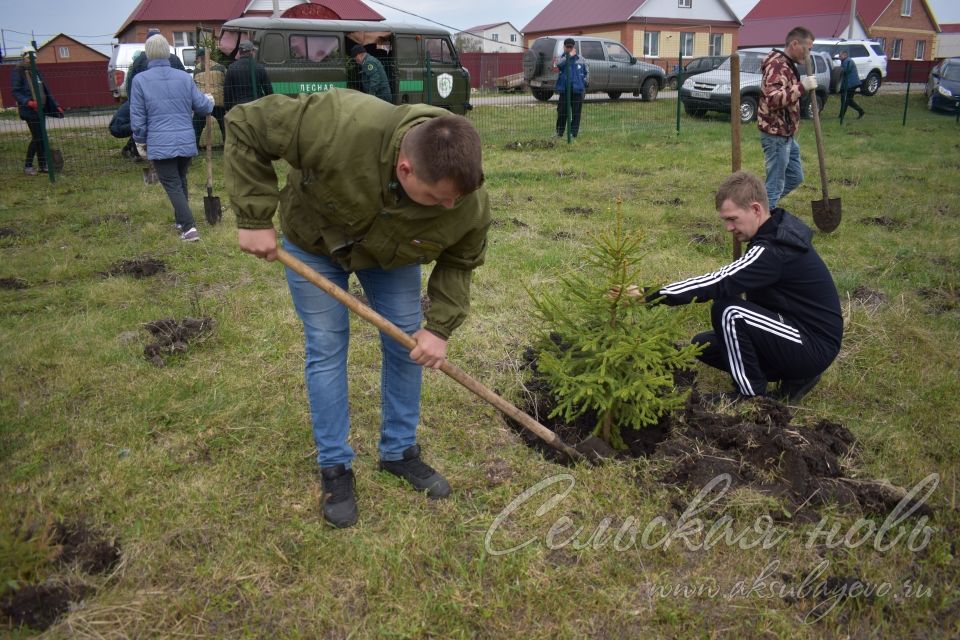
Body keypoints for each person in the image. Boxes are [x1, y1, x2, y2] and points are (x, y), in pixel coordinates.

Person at [224, 89, 490, 528]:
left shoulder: (466, 199)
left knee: (409, 343)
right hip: (312, 243)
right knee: (327, 346)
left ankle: (399, 452)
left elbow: (461, 260)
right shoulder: (337, 124)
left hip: (392, 257)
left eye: (456, 199)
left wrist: (439, 328)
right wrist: (253, 218)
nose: (449, 206)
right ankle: (335, 467)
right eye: (437, 197)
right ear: (405, 169)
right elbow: (246, 122)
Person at [618, 171, 842, 402]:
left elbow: (719, 281)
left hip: (812, 345)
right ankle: (795, 378)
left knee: (729, 311)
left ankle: (751, 396)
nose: (728, 227)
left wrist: (651, 295)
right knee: (704, 345)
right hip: (793, 331)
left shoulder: (772, 250)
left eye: (732, 219)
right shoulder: (773, 233)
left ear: (756, 210)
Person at [130, 34, 214, 242]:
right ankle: (180, 220)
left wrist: (140, 140)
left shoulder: (140, 81)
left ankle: (189, 228)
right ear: (168, 52)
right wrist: (209, 100)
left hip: (160, 142)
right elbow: (203, 106)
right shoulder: (184, 77)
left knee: (172, 184)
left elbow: (138, 116)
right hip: (186, 140)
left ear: (148, 54)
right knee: (180, 179)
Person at [757, 26, 818, 208]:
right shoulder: (777, 66)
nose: (808, 54)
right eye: (807, 48)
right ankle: (763, 224)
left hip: (786, 135)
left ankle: (759, 207)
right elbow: (773, 99)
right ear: (794, 44)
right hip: (775, 134)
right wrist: (801, 87)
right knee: (775, 186)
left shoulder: (787, 65)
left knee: (794, 176)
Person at [122, 28, 187, 160]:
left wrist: (133, 102)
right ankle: (178, 154)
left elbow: (131, 83)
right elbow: (184, 79)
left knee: (149, 127)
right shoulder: (175, 59)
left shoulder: (140, 60)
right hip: (175, 101)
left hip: (149, 102)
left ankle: (143, 154)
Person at [11, 46, 63, 175]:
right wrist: (28, 102)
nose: (32, 60)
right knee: (38, 137)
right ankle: (28, 166)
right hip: (29, 110)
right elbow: (16, 91)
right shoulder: (19, 71)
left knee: (41, 137)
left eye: (34, 58)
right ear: (24, 57)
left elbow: (45, 89)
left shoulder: (36, 70)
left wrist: (55, 105)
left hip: (41, 109)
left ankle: (42, 165)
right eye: (29, 58)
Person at [191, 47, 227, 146]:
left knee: (197, 124)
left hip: (203, 102)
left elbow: (194, 85)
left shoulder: (197, 69)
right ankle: (227, 143)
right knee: (224, 123)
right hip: (218, 101)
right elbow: (225, 81)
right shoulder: (220, 67)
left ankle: (194, 145)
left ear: (199, 57)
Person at [224, 40, 272, 111]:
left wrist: (228, 107)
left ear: (240, 52)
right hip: (256, 106)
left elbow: (227, 90)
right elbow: (268, 89)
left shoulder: (232, 68)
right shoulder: (259, 67)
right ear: (251, 51)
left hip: (239, 107)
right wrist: (269, 105)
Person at [554, 38, 588, 139]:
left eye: (571, 47)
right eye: (567, 47)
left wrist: (584, 83)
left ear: (574, 47)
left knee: (576, 113)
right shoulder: (561, 58)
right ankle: (559, 133)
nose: (569, 48)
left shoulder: (581, 59)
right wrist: (569, 56)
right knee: (562, 112)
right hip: (564, 90)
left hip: (577, 90)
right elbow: (558, 65)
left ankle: (573, 133)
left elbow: (587, 72)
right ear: (564, 47)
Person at [838, 50, 865, 121]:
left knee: (847, 100)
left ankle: (861, 111)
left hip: (851, 84)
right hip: (850, 83)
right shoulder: (845, 61)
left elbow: (846, 71)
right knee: (845, 100)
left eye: (840, 56)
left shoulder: (847, 61)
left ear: (845, 55)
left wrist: (838, 70)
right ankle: (841, 115)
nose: (839, 57)